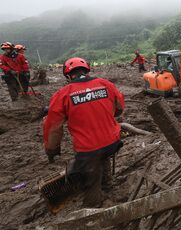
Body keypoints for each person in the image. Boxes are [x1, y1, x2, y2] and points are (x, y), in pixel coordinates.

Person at [43, 57, 125, 207]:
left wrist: (52, 150)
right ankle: (107, 185)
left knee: (90, 176)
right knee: (102, 154)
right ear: (87, 70)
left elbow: (53, 127)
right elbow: (119, 107)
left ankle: (94, 206)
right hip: (113, 142)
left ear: (68, 75)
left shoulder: (63, 94)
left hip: (88, 149)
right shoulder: (105, 84)